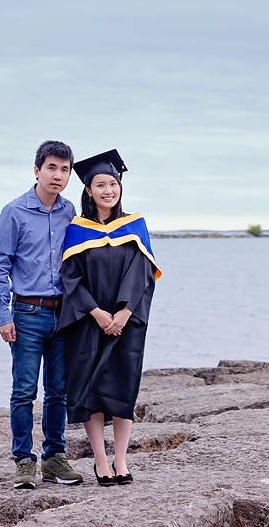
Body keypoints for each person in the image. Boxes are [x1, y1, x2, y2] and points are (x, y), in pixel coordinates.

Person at [58, 149, 161, 486]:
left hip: (126, 322)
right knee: (90, 386)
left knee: (121, 386)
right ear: (88, 190)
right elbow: (70, 277)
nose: (108, 190)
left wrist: (125, 311)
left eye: (113, 184)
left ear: (120, 188)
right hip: (89, 320)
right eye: (100, 184)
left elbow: (142, 272)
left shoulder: (134, 225)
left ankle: (121, 460)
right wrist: (98, 312)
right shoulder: (76, 230)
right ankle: (100, 462)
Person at [0, 140, 84, 489]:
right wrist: (3, 314)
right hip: (27, 313)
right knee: (24, 390)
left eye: (65, 169)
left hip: (64, 314)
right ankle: (23, 462)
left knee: (58, 391)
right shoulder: (14, 212)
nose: (58, 175)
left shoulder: (69, 210)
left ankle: (55, 459)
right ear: (37, 170)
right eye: (52, 168)